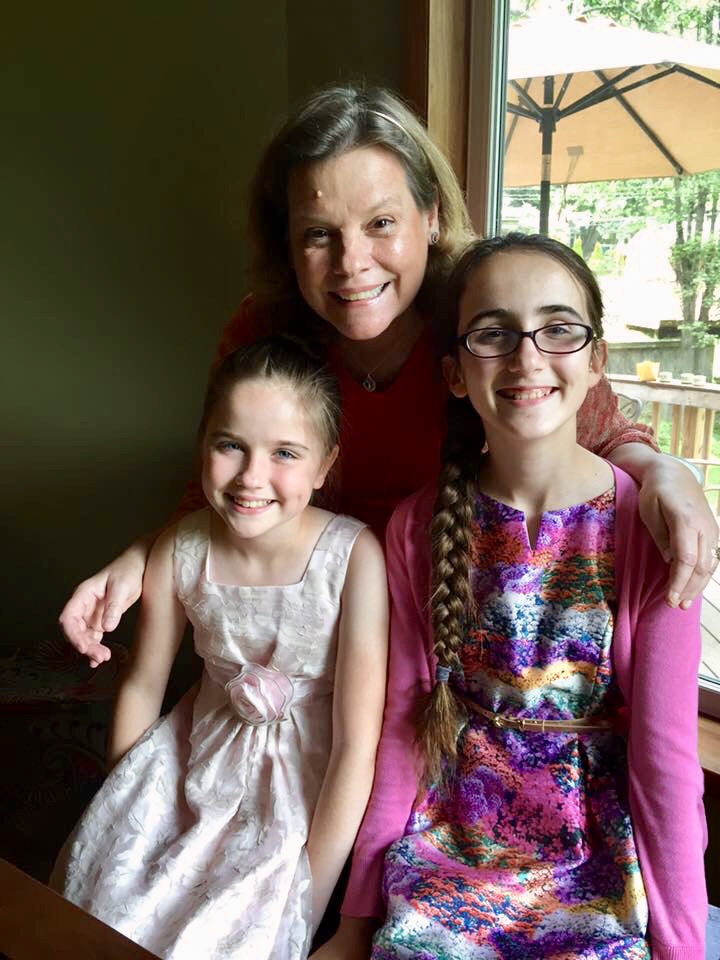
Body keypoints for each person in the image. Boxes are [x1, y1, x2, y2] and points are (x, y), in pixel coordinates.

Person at [59, 82, 716, 670]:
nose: (352, 262)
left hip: (451, 650)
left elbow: (607, 439)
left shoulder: (486, 320)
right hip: (303, 649)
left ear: (430, 216)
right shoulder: (261, 331)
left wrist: (669, 474)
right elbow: (218, 497)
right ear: (288, 244)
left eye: (380, 224)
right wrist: (139, 558)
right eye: (319, 234)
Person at [321, 235, 707, 960]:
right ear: (456, 373)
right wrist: (355, 921)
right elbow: (402, 732)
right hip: (451, 844)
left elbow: (667, 764)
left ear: (597, 361)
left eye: (559, 328)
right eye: (493, 333)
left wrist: (682, 950)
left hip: (590, 862)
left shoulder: (650, 529)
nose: (528, 357)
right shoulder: (416, 526)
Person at [51, 336, 389, 960]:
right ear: (202, 442)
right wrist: (123, 807)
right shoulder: (181, 547)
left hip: (295, 796)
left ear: (323, 467)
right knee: (115, 909)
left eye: (285, 453)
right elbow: (144, 684)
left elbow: (355, 743)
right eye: (230, 444)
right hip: (188, 766)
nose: (251, 477)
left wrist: (310, 893)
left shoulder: (352, 557)